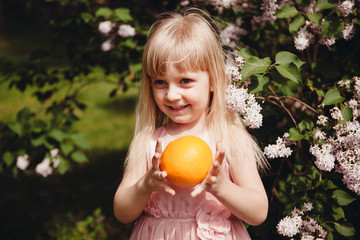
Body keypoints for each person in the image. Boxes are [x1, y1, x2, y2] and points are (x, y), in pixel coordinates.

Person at [113, 8, 269, 239]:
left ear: (214, 81)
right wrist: (145, 185)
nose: (172, 95)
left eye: (185, 81)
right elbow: (122, 212)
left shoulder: (230, 139)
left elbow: (258, 213)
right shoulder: (150, 141)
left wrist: (221, 187)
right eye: (160, 82)